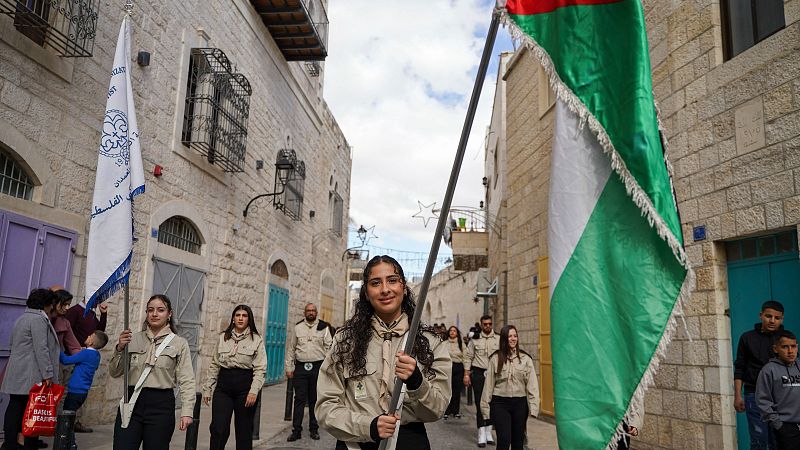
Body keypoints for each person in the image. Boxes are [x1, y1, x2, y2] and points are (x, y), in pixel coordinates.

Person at [316, 255, 451, 449]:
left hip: (409, 441)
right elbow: (325, 408)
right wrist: (368, 426)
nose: (385, 289)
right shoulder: (345, 340)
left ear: (404, 288)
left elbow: (438, 409)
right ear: (366, 292)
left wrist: (416, 382)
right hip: (357, 442)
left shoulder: (430, 342)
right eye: (375, 283)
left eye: (393, 281)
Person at [109, 294, 195, 450]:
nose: (155, 314)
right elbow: (115, 372)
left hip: (161, 405)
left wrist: (187, 411)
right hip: (131, 402)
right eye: (150, 310)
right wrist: (120, 348)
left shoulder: (179, 343)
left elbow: (187, 379)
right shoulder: (132, 339)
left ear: (169, 314)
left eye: (160, 310)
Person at [0, 288, 59, 450]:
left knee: (15, 407)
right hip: (29, 373)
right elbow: (42, 348)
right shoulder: (38, 320)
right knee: (27, 410)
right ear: (46, 304)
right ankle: (24, 443)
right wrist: (48, 373)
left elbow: (12, 344)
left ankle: (11, 442)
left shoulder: (23, 318)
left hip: (18, 370)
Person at [202, 304, 267, 450]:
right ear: (233, 318)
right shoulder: (223, 337)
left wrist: (254, 391)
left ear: (249, 319)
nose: (240, 318)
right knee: (218, 428)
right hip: (224, 387)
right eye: (238, 315)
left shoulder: (256, 340)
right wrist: (208, 388)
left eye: (244, 316)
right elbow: (214, 364)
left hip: (245, 388)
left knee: (243, 431)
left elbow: (260, 369)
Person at [734, 300, 785, 449]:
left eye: (777, 318)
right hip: (754, 396)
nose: (772, 321)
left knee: (779, 441)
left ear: (781, 319)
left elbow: (793, 367)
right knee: (759, 441)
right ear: (761, 315)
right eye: (768, 316)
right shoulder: (747, 338)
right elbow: (740, 367)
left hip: (781, 397)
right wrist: (737, 395)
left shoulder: (786, 339)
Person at [480, 325, 539, 450]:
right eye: (509, 336)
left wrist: (534, 407)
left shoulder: (525, 359)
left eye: (515, 336)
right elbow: (488, 386)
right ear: (504, 339)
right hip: (500, 403)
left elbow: (532, 385)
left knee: (518, 441)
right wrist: (485, 409)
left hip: (520, 404)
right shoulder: (495, 359)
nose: (513, 339)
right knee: (504, 439)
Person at [285, 303, 333, 442]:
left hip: (317, 367)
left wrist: (327, 368)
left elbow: (329, 348)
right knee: (299, 399)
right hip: (300, 368)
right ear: (304, 313)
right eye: (308, 310)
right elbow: (291, 349)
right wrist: (289, 367)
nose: (311, 312)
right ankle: (296, 431)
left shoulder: (324, 327)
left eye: (313, 310)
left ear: (316, 313)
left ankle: (314, 429)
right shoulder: (298, 328)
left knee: (314, 400)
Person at [58, 331, 109, 449]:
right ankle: (70, 443)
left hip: (74, 392)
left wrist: (57, 349)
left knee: (67, 419)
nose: (87, 336)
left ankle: (71, 444)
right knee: (70, 417)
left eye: (89, 335)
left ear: (91, 341)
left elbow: (65, 360)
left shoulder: (86, 353)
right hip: (82, 393)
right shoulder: (96, 355)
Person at [65, 294, 107, 434]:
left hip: (81, 358)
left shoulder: (91, 313)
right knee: (66, 396)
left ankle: (72, 424)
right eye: (97, 299)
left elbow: (99, 334)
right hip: (74, 356)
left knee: (74, 400)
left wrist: (104, 315)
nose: (99, 303)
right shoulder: (74, 311)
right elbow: (67, 333)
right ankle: (63, 425)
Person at [756, 329, 800, 449]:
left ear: (797, 347)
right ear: (776, 349)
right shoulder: (768, 370)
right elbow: (762, 401)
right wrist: (778, 424)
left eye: (793, 346)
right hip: (785, 427)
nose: (790, 351)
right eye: (785, 347)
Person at [464, 314, 500, 446]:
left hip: (494, 375)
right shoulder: (475, 339)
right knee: (480, 403)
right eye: (485, 324)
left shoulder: (498, 338)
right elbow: (468, 357)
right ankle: (481, 433)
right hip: (479, 373)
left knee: (493, 403)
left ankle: (489, 432)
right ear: (481, 324)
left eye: (490, 324)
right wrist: (466, 374)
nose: (488, 326)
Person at [52, 289, 82, 355]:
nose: (67, 308)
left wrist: (82, 356)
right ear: (56, 302)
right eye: (65, 304)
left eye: (69, 305)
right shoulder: (42, 318)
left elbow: (74, 346)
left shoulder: (65, 323)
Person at [444, 325, 464, 420]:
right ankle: (446, 411)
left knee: (457, 390)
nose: (452, 332)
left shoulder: (461, 343)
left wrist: (467, 372)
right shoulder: (444, 343)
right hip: (448, 368)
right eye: (451, 330)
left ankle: (456, 411)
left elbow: (466, 356)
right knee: (448, 389)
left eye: (454, 331)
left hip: (458, 367)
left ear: (457, 333)